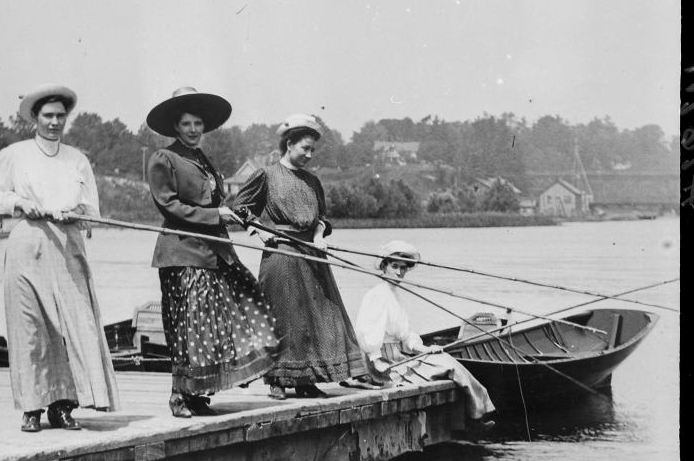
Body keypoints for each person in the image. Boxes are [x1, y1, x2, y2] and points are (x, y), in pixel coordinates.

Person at [0, 83, 120, 433]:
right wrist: (20, 203)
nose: (55, 122)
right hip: (29, 243)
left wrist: (76, 212)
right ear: (35, 118)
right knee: (30, 328)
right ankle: (32, 407)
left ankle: (63, 406)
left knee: (71, 327)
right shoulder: (14, 154)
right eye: (48, 116)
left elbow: (92, 211)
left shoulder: (77, 160)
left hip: (67, 245)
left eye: (61, 116)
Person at [146, 86, 281, 418]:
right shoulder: (164, 159)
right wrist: (212, 216)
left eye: (198, 124)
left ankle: (197, 391)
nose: (193, 130)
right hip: (182, 253)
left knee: (211, 324)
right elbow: (169, 205)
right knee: (187, 325)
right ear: (176, 127)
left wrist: (245, 221)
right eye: (187, 124)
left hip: (214, 252)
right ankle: (179, 395)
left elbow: (219, 204)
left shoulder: (203, 160)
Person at [233, 114, 368, 399]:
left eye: (312, 150)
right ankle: (276, 380)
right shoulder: (267, 175)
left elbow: (322, 218)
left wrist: (319, 237)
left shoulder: (313, 181)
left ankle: (307, 380)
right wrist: (259, 231)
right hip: (281, 254)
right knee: (283, 316)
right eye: (304, 148)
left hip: (311, 255)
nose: (308, 154)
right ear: (289, 143)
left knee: (317, 317)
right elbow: (241, 206)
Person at [354, 240, 496, 423]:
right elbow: (366, 336)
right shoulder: (377, 295)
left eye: (403, 268)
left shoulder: (394, 294)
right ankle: (478, 415)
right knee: (448, 365)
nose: (399, 272)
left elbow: (405, 337)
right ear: (384, 266)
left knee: (444, 360)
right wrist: (377, 364)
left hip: (397, 358)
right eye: (394, 266)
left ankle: (478, 412)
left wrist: (425, 349)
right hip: (383, 365)